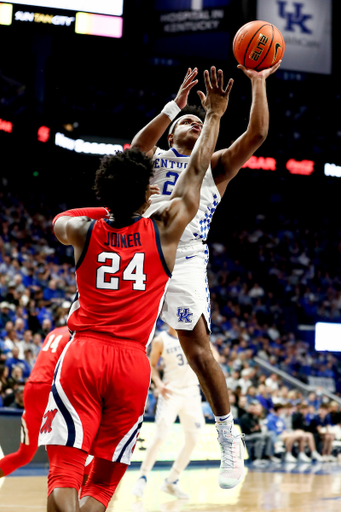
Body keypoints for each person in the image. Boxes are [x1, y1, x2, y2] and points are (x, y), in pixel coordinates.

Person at [38, 68, 243, 512]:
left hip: (85, 352)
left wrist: (117, 205)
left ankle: (229, 434)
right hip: (131, 362)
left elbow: (60, 219)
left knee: (65, 476)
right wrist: (214, 116)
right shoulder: (163, 232)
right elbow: (188, 189)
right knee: (101, 487)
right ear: (146, 191)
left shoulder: (81, 230)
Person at [130, 61, 281, 480]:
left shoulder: (213, 165)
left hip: (187, 256)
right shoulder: (154, 159)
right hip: (139, 250)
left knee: (198, 351)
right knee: (122, 342)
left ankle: (229, 438)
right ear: (173, 128)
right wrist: (172, 107)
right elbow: (134, 150)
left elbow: (257, 135)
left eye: (202, 121)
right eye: (188, 121)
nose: (196, 124)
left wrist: (257, 82)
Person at [132, 325, 205, 499]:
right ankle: (142, 477)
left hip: (192, 394)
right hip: (171, 392)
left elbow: (212, 357)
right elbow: (152, 365)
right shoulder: (160, 340)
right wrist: (158, 383)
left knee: (193, 440)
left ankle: (172, 480)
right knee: (160, 436)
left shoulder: (193, 335)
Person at [0, 325, 70, 479]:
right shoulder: (77, 335)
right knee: (70, 455)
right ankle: (77, 499)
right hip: (51, 389)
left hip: (31, 387)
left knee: (24, 455)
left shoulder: (54, 332)